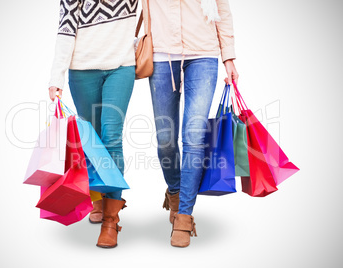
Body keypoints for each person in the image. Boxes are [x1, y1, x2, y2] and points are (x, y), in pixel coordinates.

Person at [141, 0, 239, 247]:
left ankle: (184, 215)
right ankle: (175, 191)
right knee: (165, 139)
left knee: (194, 136)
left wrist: (228, 57)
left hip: (204, 54)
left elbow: (222, 11)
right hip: (162, 54)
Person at [48, 0, 138, 248]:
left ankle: (111, 219)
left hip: (121, 67)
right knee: (91, 141)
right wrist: (57, 76)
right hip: (82, 70)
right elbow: (65, 30)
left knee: (112, 139)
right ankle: (97, 198)